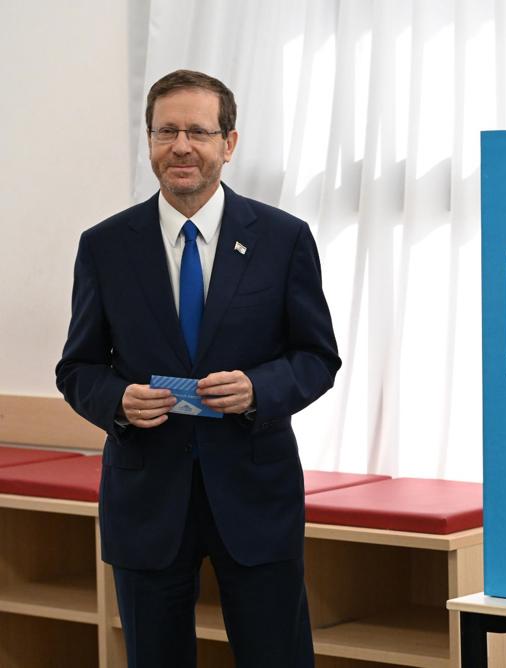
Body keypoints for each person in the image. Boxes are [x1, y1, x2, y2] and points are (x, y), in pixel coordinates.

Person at [56, 69, 340, 668]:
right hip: (146, 499)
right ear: (150, 141)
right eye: (166, 131)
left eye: (198, 132)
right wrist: (117, 401)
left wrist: (258, 388)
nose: (181, 146)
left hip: (255, 497)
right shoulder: (105, 245)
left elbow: (317, 357)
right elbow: (78, 366)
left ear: (228, 144)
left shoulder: (284, 239)